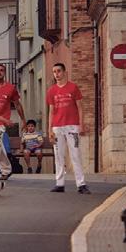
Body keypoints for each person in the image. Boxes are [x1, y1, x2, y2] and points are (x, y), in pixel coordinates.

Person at [46, 63, 90, 194]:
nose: (56, 74)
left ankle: (81, 184)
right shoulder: (51, 91)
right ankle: (59, 184)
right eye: (54, 72)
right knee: (59, 156)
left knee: (75, 154)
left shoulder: (73, 87)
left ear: (65, 72)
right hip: (57, 127)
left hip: (72, 126)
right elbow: (51, 111)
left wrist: (81, 125)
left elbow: (80, 107)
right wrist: (49, 130)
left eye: (59, 71)